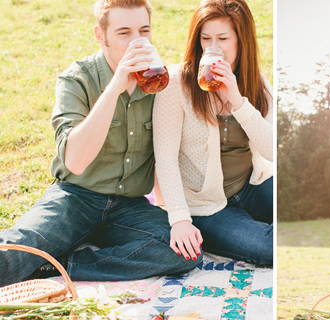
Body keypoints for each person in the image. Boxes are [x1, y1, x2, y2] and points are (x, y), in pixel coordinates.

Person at [0, 0, 201, 287]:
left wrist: (173, 214)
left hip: (129, 205)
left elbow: (164, 154)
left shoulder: (160, 82)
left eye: (144, 31)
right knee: (12, 257)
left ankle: (57, 266)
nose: (137, 41)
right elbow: (75, 162)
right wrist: (116, 85)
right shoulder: (76, 79)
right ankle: (40, 257)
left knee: (183, 254)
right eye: (124, 33)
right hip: (76, 198)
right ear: (100, 35)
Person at [153, 0, 273, 266]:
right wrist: (180, 219)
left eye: (222, 38)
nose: (212, 48)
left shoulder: (257, 83)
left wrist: (238, 102)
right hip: (206, 205)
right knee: (269, 247)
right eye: (205, 39)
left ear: (242, 41)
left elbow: (274, 152)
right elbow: (165, 157)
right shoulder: (176, 84)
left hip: (251, 184)